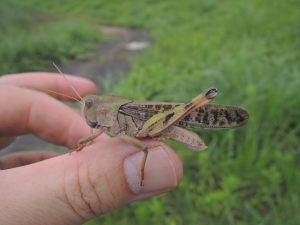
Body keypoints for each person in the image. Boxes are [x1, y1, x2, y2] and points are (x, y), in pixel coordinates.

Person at [0, 72, 183, 225]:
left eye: (89, 105)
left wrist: (141, 173)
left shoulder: (116, 112)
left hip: (159, 123)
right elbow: (90, 136)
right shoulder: (107, 121)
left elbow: (143, 148)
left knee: (143, 148)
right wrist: (82, 145)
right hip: (146, 126)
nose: (86, 110)